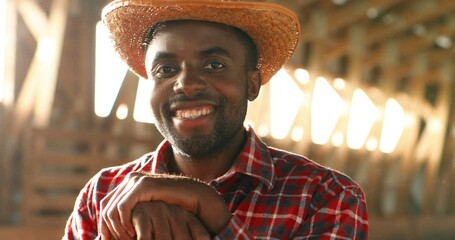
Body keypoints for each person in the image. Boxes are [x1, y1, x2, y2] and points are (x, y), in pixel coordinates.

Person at [64, 0, 369, 239]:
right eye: (166, 70)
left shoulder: (326, 196)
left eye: (213, 64)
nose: (186, 83)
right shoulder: (102, 195)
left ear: (251, 84)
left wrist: (209, 207)